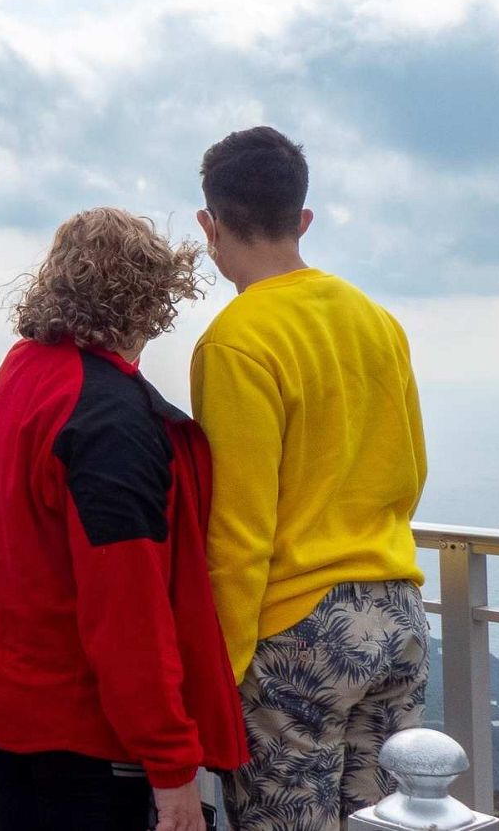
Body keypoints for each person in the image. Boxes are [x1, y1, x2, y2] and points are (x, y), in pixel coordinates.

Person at [0, 207, 251, 831]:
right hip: (75, 728)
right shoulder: (109, 421)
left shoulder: (26, 364)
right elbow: (127, 612)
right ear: (151, 300)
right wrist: (172, 774)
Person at [189, 127, 430, 831]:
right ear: (302, 219)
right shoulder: (377, 321)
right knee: (387, 821)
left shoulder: (238, 340)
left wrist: (219, 673)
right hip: (396, 613)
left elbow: (239, 529)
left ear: (210, 224)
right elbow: (411, 470)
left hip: (299, 634)